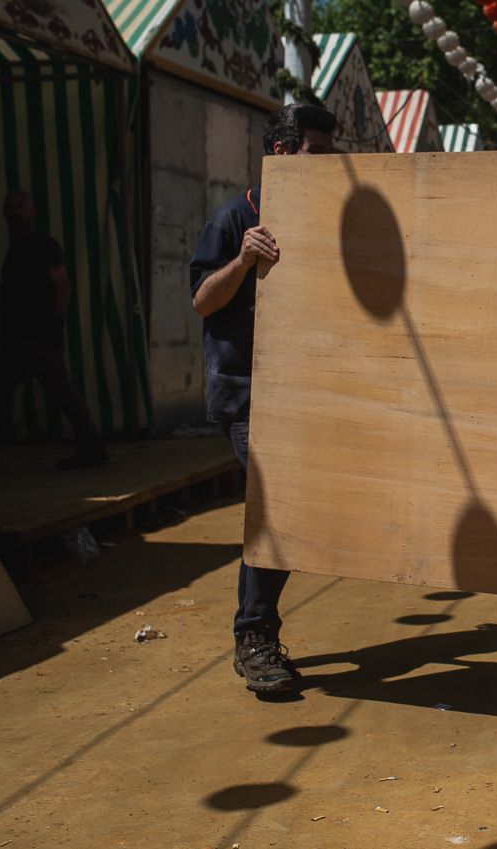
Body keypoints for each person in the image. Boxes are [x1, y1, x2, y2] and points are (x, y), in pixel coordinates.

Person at [189, 102, 337, 695]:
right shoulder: (233, 219)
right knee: (279, 511)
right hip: (249, 395)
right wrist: (245, 260)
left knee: (291, 514)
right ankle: (254, 638)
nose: (328, 166)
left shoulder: (321, 220)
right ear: (282, 154)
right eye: (316, 154)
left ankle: (257, 631)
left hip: (304, 392)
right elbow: (202, 300)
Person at [0, 190, 107, 471]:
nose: (14, 211)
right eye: (10, 207)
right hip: (15, 336)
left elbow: (62, 285)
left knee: (59, 391)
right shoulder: (16, 248)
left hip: (38, 335)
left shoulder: (42, 245)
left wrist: (56, 322)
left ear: (32, 211)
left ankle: (91, 446)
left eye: (20, 206)